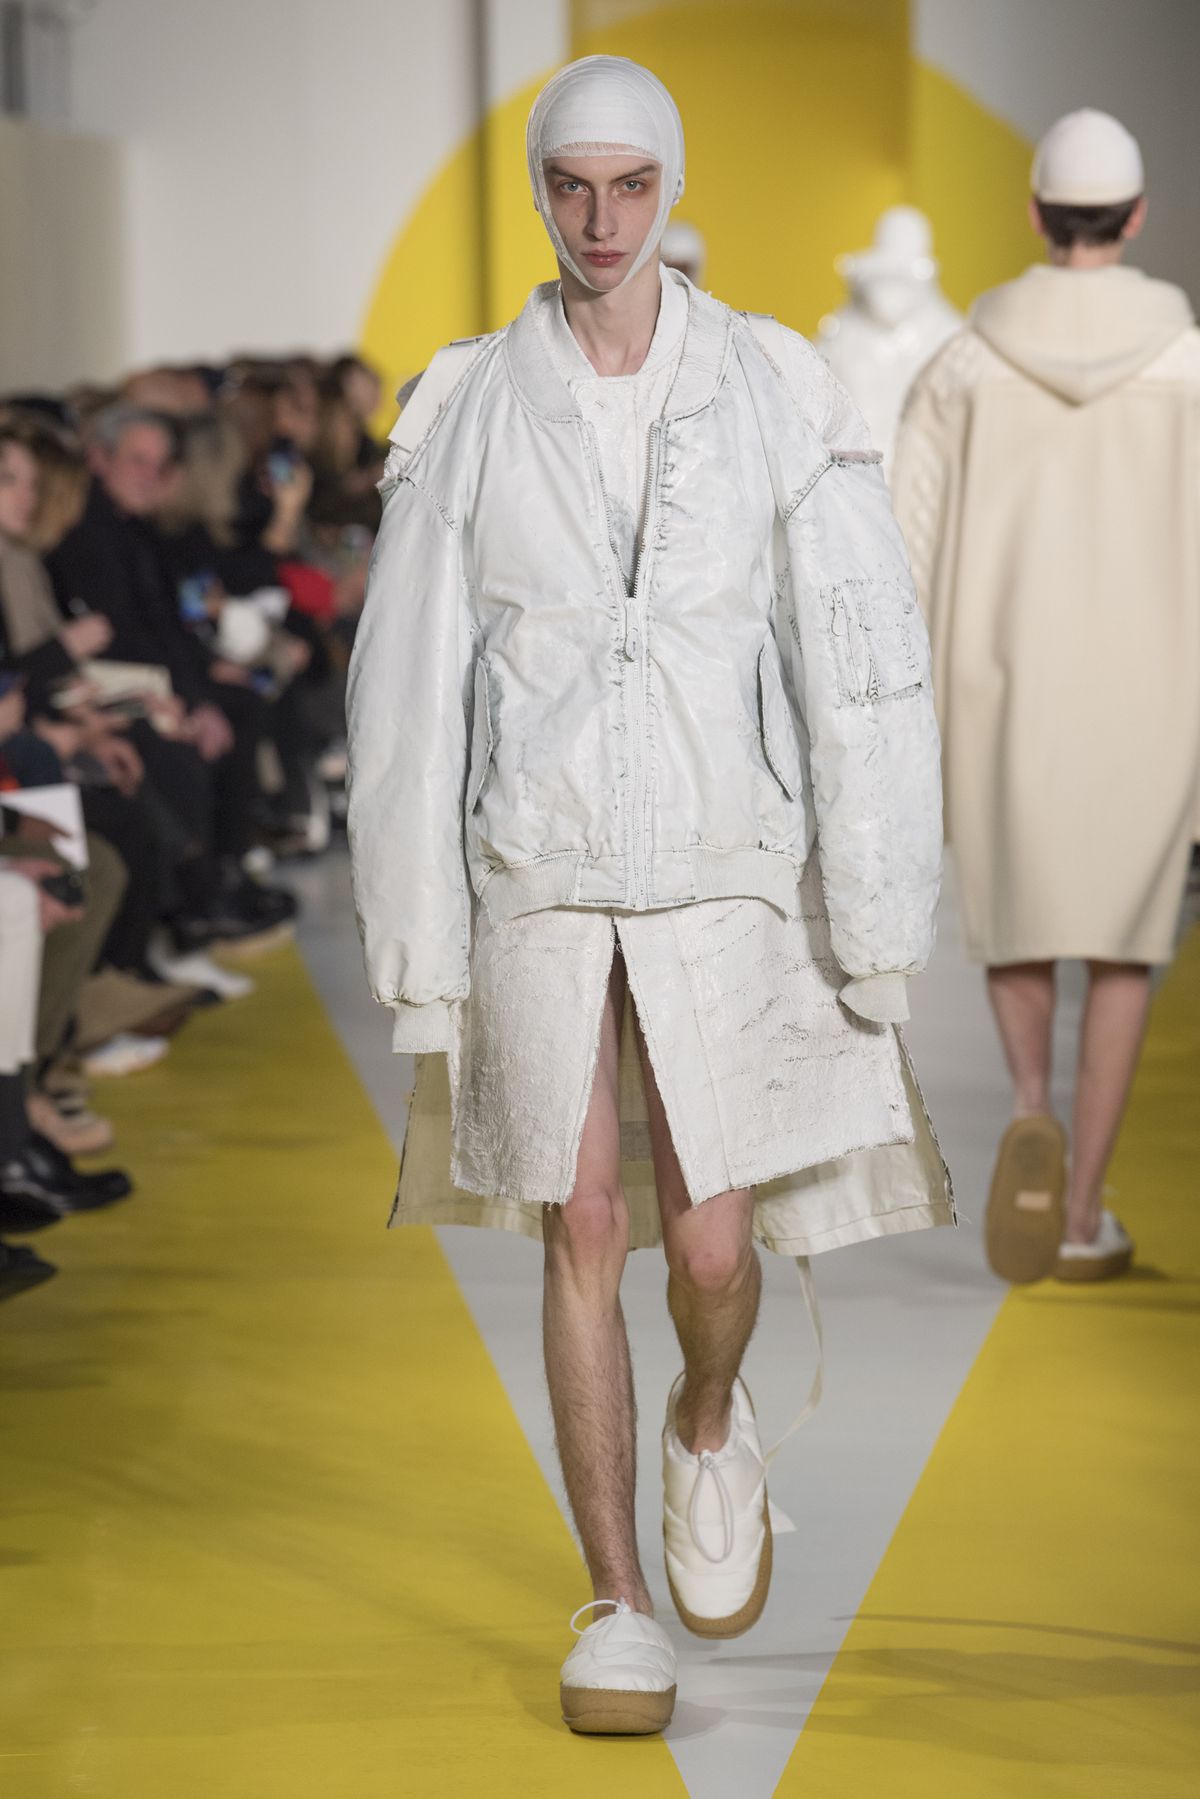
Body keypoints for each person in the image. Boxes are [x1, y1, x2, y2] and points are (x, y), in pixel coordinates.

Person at [348, 55, 949, 1737]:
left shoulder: (771, 384)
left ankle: (705, 1413)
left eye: (630, 186)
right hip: (537, 866)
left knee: (709, 1235)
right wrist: (416, 940)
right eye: (571, 185)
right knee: (583, 1219)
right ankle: (614, 1595)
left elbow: (857, 657)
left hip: (720, 860)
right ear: (540, 191)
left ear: (670, 189)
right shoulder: (468, 401)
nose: (601, 220)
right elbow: (407, 688)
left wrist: (878, 908)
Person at [892, 109, 1200, 1287]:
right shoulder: (1186, 363)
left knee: (1019, 920)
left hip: (1003, 692)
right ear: (1136, 217)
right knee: (1123, 948)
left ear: (1035, 216)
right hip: (1151, 697)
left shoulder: (965, 364)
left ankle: (1032, 1105)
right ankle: (1079, 1211)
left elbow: (907, 541)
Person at [816, 206, 961, 476]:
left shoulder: (948, 335)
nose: (889, 296)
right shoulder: (842, 332)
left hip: (894, 477)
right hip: (866, 478)